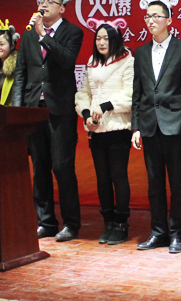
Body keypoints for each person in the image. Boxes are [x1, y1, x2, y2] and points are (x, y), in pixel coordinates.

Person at [12, 0, 84, 242]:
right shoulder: (28, 33)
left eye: (50, 2)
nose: (43, 5)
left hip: (60, 109)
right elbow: (21, 73)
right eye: (41, 1)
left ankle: (71, 223)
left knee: (62, 166)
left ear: (62, 8)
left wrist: (44, 34)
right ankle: (46, 222)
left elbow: (66, 59)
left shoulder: (72, 32)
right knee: (39, 167)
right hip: (34, 109)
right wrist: (19, 111)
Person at [131, 0, 181, 254]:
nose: (151, 21)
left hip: (175, 125)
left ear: (169, 20)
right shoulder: (141, 52)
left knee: (178, 183)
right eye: (147, 17)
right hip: (149, 125)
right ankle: (158, 232)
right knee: (154, 182)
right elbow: (137, 92)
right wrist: (136, 126)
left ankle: (177, 234)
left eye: (156, 16)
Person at [75, 18, 134, 245]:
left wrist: (106, 105)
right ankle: (108, 221)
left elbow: (130, 94)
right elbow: (83, 93)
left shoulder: (127, 60)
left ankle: (121, 223)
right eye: (98, 38)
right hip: (96, 128)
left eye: (106, 39)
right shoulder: (92, 62)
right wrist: (86, 114)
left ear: (115, 40)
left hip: (118, 127)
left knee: (118, 175)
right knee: (102, 177)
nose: (101, 42)